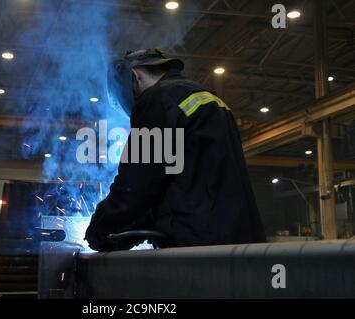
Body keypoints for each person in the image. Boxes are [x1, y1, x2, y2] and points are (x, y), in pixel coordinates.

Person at [85, 49, 265, 251]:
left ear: (135, 77)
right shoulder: (209, 99)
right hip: (240, 242)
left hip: (197, 250)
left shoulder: (157, 98)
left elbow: (137, 183)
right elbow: (173, 183)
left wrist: (99, 229)